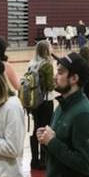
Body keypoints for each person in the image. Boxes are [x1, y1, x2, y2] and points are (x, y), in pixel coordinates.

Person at [26, 40, 56, 170]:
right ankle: (43, 159)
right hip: (45, 100)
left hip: (34, 101)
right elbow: (50, 86)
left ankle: (34, 159)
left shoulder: (31, 63)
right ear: (46, 50)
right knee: (45, 129)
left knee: (36, 128)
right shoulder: (47, 65)